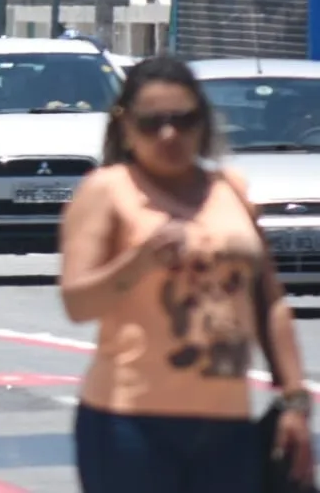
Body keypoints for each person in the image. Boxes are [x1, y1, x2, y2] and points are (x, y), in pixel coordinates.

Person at [59, 54, 314, 493]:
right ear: (125, 125)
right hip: (131, 422)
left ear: (204, 122)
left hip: (226, 423)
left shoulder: (229, 189)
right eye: (151, 122)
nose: (169, 134)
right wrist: (137, 262)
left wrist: (294, 399)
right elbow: (78, 302)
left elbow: (269, 301)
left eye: (184, 119)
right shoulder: (107, 190)